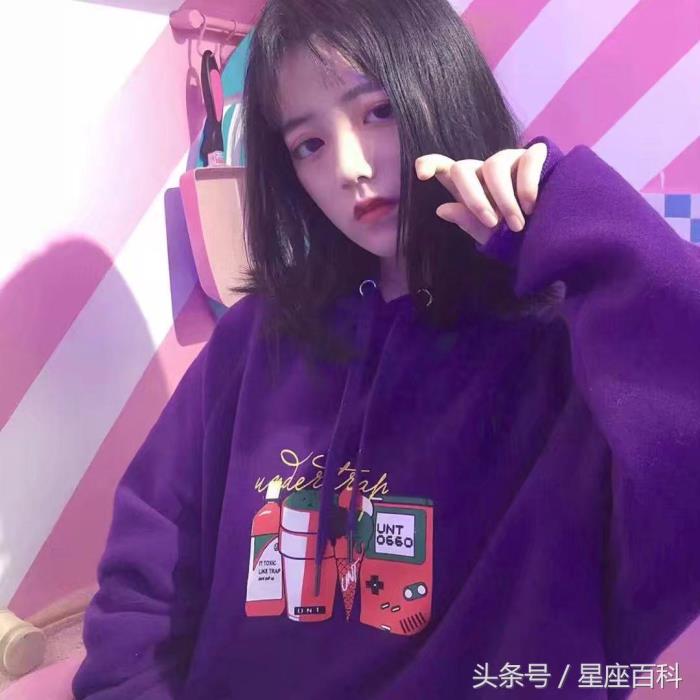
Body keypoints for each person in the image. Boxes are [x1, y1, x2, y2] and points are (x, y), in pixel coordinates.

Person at [72, 0, 700, 698]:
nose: (348, 167)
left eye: (378, 111)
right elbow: (150, 569)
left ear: (442, 88)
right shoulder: (255, 339)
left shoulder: (559, 348)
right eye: (308, 145)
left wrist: (577, 220)